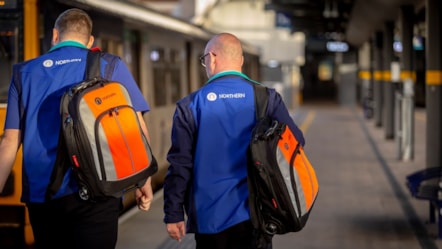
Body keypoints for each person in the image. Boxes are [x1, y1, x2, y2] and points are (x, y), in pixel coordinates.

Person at [0, 8, 153, 249]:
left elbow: (9, 143)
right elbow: (134, 127)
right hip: (100, 189)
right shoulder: (110, 65)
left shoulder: (24, 73)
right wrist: (143, 181)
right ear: (89, 40)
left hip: (44, 196)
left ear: (54, 35)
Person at [163, 33, 305, 249]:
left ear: (212, 58)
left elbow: (180, 164)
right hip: (257, 215)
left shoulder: (190, 105)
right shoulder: (266, 98)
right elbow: (296, 143)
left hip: (208, 218)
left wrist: (173, 214)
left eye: (204, 60)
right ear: (240, 60)